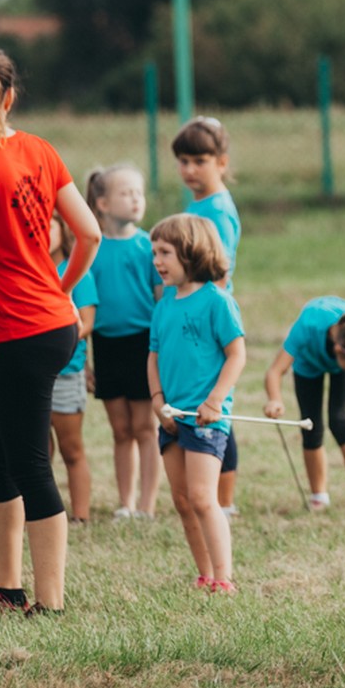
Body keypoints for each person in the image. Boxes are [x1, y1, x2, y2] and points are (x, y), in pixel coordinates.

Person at [0, 45, 101, 617]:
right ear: (10, 97)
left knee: (30, 462)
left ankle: (50, 604)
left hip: (24, 335)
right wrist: (63, 288)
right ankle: (7, 590)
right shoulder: (40, 150)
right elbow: (89, 234)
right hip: (52, 325)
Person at [146, 214, 244, 594]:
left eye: (165, 253)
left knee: (203, 497)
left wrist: (214, 401)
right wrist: (158, 401)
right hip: (172, 416)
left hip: (206, 419)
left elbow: (236, 354)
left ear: (191, 252)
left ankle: (224, 577)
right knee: (183, 500)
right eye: (155, 253)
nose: (157, 261)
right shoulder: (163, 305)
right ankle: (204, 574)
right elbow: (153, 356)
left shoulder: (217, 301)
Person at [84, 164, 161, 521]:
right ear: (102, 203)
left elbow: (161, 303)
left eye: (138, 193)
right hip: (105, 346)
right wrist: (85, 361)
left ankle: (147, 505)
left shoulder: (149, 247)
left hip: (143, 346)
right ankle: (126, 503)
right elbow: (84, 308)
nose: (135, 199)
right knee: (120, 430)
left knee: (145, 428)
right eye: (126, 193)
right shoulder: (91, 248)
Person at [174, 117, 242, 513]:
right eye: (183, 161)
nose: (190, 170)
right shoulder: (198, 204)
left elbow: (219, 269)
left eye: (199, 161)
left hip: (209, 322)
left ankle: (224, 501)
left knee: (215, 409)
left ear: (221, 162)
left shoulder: (218, 209)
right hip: (190, 316)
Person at [261, 297, 345, 511]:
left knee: (340, 421)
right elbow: (274, 371)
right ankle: (318, 496)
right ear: (337, 350)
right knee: (311, 426)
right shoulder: (308, 326)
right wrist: (275, 399)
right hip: (308, 364)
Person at [49, 215, 96, 524]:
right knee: (39, 450)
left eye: (48, 225)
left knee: (71, 448)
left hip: (66, 372)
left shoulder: (77, 271)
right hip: (33, 373)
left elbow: (87, 322)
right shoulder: (29, 271)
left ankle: (80, 515)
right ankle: (43, 511)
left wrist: (48, 338)